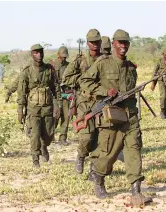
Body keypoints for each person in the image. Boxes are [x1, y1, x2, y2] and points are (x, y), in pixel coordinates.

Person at [80, 29, 151, 206]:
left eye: (126, 42)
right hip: (110, 116)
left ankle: (136, 191)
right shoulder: (103, 63)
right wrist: (105, 92)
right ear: (113, 44)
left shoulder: (130, 68)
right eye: (120, 42)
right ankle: (98, 176)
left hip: (130, 116)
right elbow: (85, 82)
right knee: (108, 153)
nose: (123, 46)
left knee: (134, 150)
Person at [62, 29, 102, 174]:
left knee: (100, 137)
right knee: (86, 136)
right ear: (87, 43)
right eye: (92, 42)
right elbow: (66, 79)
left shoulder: (105, 60)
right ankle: (81, 156)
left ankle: (94, 169)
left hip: (101, 101)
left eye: (97, 42)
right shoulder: (80, 60)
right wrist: (83, 79)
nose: (95, 45)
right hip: (84, 102)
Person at [17, 44, 61, 168]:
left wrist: (58, 105)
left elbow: (56, 89)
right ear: (32, 54)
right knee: (35, 134)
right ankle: (35, 158)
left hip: (48, 108)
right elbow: (21, 93)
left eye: (41, 52)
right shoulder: (27, 72)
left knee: (48, 135)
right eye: (36, 53)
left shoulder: (49, 70)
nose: (39, 55)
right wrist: (20, 111)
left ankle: (44, 146)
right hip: (33, 109)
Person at [52, 46, 70, 146]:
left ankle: (63, 138)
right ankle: (50, 136)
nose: (63, 58)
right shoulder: (52, 65)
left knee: (66, 117)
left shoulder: (69, 66)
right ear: (58, 55)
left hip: (66, 95)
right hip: (55, 95)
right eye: (62, 56)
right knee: (55, 116)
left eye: (65, 57)